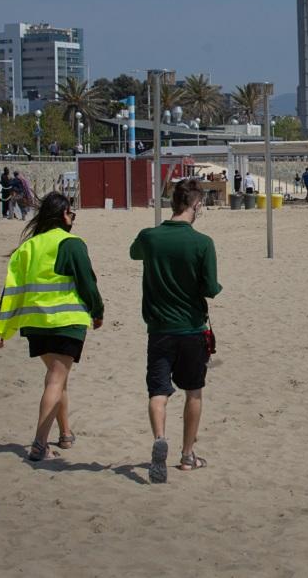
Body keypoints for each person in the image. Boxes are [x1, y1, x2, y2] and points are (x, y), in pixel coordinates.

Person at [0, 192, 104, 462]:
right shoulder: (71, 244)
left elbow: (11, 290)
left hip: (34, 324)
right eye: (71, 214)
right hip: (66, 322)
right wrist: (97, 311)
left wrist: (3, 326)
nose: (73, 219)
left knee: (58, 378)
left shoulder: (27, 248)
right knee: (55, 380)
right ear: (63, 214)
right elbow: (87, 282)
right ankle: (39, 444)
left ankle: (65, 434)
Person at [130, 179, 222, 483]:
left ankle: (159, 438)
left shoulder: (150, 237)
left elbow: (135, 253)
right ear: (195, 205)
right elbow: (209, 288)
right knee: (193, 391)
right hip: (191, 328)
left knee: (158, 390)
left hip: (158, 329)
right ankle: (186, 456)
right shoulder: (202, 242)